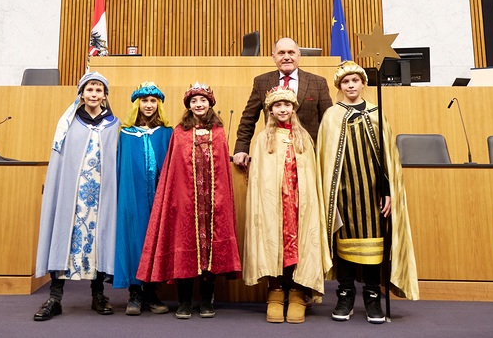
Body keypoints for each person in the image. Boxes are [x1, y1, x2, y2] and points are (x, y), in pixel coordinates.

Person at [315, 61, 419, 324]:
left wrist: (388, 191)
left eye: (355, 81)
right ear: (340, 86)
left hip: (373, 193)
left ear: (363, 84)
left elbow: (388, 159)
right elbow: (326, 161)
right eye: (346, 82)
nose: (351, 86)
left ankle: (373, 296)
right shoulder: (331, 115)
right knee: (345, 245)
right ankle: (345, 294)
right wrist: (331, 195)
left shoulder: (377, 112)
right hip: (344, 193)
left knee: (375, 245)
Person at [137, 82, 242, 320]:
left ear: (210, 103)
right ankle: (184, 301)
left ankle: (206, 300)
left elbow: (223, 171)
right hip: (187, 201)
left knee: (209, 251)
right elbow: (174, 170)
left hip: (213, 202)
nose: (199, 104)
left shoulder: (218, 131)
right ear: (189, 106)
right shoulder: (179, 133)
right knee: (185, 246)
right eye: (194, 101)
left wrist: (221, 198)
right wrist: (178, 197)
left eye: (202, 100)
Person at [34, 72, 120, 321]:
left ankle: (98, 294)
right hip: (71, 195)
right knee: (64, 235)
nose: (94, 94)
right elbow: (61, 160)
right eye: (90, 90)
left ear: (105, 95)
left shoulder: (113, 124)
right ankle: (55, 297)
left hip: (100, 196)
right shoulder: (68, 122)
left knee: (99, 237)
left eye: (98, 90)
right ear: (82, 93)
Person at [242, 87, 332, 324]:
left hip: (298, 204)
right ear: (270, 110)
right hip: (273, 205)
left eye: (287, 105)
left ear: (294, 109)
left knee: (299, 244)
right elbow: (259, 177)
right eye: (277, 106)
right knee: (274, 242)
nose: (283, 109)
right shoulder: (263, 140)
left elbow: (311, 175)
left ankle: (297, 293)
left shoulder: (304, 138)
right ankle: (275, 292)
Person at [113, 82, 173, 315]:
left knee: (156, 240)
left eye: (153, 101)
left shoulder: (167, 133)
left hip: (158, 197)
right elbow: (121, 165)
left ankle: (152, 293)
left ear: (158, 104)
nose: (149, 105)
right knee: (135, 239)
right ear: (137, 104)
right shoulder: (126, 134)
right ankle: (135, 294)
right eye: (144, 101)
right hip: (133, 196)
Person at [233, 37, 333, 169]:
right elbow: (248, 119)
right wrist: (241, 148)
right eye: (281, 53)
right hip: (273, 156)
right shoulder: (261, 82)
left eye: (291, 52)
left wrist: (330, 153)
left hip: (308, 156)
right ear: (273, 57)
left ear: (299, 55)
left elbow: (328, 122)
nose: (286, 57)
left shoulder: (318, 82)